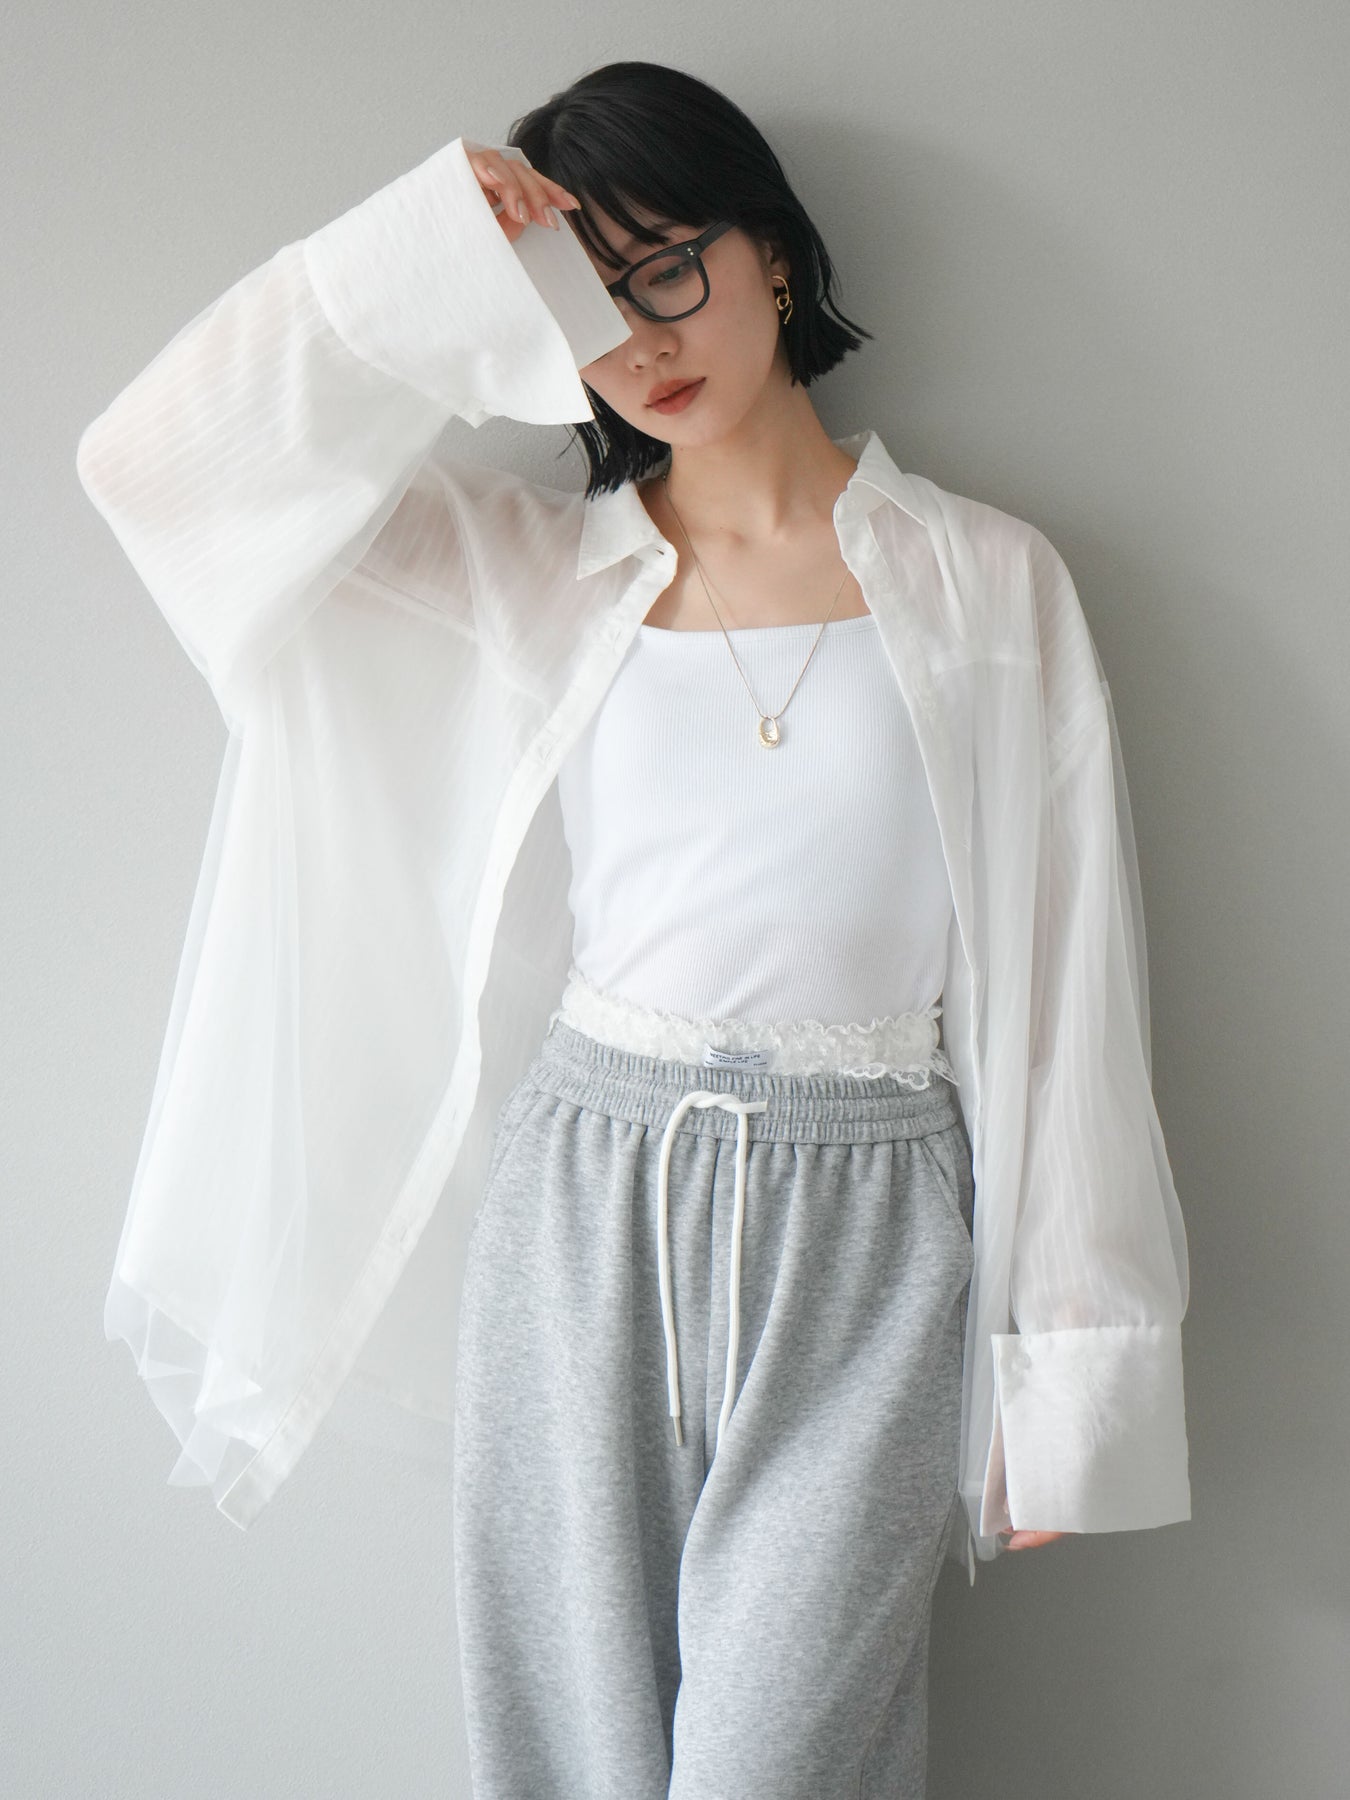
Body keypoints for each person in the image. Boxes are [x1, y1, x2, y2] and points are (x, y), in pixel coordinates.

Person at [76, 57, 1191, 1800]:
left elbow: (1067, 983)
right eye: (578, 305)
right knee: (568, 1757)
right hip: (583, 1203)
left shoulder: (985, 579)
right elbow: (157, 472)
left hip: (871, 1222)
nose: (638, 337)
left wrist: (1070, 1364)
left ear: (772, 256)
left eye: (665, 266)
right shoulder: (531, 571)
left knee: (778, 1769)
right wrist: (411, 256)